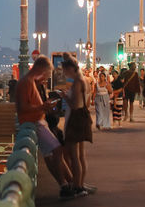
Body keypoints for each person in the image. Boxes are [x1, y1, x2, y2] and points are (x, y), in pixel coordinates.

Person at [16, 55, 74, 199]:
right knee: (57, 149)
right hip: (35, 123)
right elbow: (22, 107)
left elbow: (27, 105)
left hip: (36, 121)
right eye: (47, 73)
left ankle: (64, 185)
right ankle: (65, 185)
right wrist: (43, 106)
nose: (46, 76)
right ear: (41, 69)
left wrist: (44, 106)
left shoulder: (29, 81)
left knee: (49, 155)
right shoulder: (26, 82)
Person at [59, 57, 94, 195]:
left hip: (76, 118)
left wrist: (64, 96)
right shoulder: (84, 80)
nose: (64, 72)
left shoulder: (78, 82)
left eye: (64, 70)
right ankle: (80, 184)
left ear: (70, 69)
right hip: (82, 117)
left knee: (74, 156)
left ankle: (78, 186)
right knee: (80, 155)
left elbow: (75, 105)